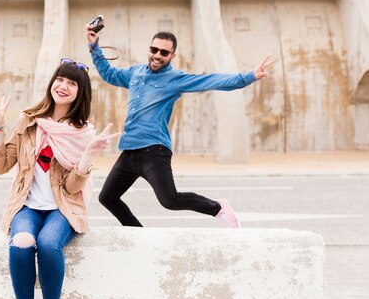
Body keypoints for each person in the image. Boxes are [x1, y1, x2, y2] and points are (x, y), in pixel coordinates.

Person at [0, 58, 119, 299]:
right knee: (22, 243)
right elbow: (1, 165)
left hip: (62, 207)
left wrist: (87, 155)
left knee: (48, 244)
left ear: (79, 92)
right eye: (60, 79)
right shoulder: (29, 119)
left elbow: (73, 188)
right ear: (52, 83)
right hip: (27, 205)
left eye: (72, 83)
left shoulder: (82, 132)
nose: (63, 86)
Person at [86, 26, 275, 228]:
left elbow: (211, 81)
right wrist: (94, 46)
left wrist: (249, 76)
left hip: (154, 151)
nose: (157, 55)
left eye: (164, 52)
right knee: (107, 197)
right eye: (154, 50)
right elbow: (109, 74)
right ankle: (140, 235)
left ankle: (218, 208)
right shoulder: (135, 73)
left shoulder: (175, 79)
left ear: (172, 55)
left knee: (170, 200)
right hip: (130, 151)